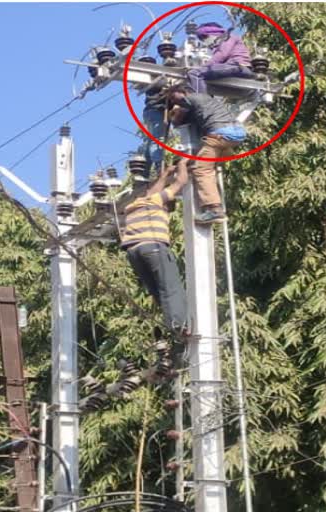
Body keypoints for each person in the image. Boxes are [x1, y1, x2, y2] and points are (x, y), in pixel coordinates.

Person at [122, 159, 189, 335]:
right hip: (152, 247)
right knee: (171, 287)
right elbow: (181, 182)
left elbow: (153, 190)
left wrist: (165, 174)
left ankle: (174, 324)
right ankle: (178, 325)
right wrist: (183, 163)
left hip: (133, 252)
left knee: (159, 290)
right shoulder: (157, 202)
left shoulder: (135, 205)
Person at [166, 85, 246, 224]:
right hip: (235, 136)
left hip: (219, 135)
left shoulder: (191, 98)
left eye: (174, 97)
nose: (174, 101)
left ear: (183, 92)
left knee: (201, 169)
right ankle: (214, 198)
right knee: (208, 165)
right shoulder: (208, 100)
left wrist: (170, 112)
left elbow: (178, 118)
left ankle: (215, 210)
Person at [187, 22, 254, 94]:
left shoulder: (228, 37)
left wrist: (202, 67)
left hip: (237, 67)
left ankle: (202, 101)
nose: (204, 41)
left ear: (212, 33)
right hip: (233, 68)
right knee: (206, 80)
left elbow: (222, 55)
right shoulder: (221, 43)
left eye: (205, 38)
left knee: (195, 73)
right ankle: (207, 102)